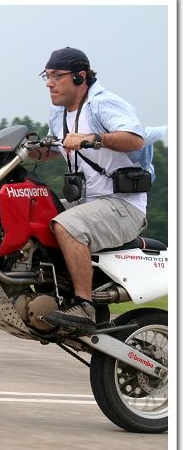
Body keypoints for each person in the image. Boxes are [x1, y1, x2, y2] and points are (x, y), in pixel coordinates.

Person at [37, 47, 163, 331]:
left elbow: (134, 138)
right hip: (87, 204)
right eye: (47, 75)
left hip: (123, 206)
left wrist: (91, 138)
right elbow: (59, 148)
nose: (49, 82)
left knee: (67, 226)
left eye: (57, 75)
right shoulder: (59, 115)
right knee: (33, 211)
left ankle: (85, 305)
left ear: (80, 78)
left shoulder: (103, 104)